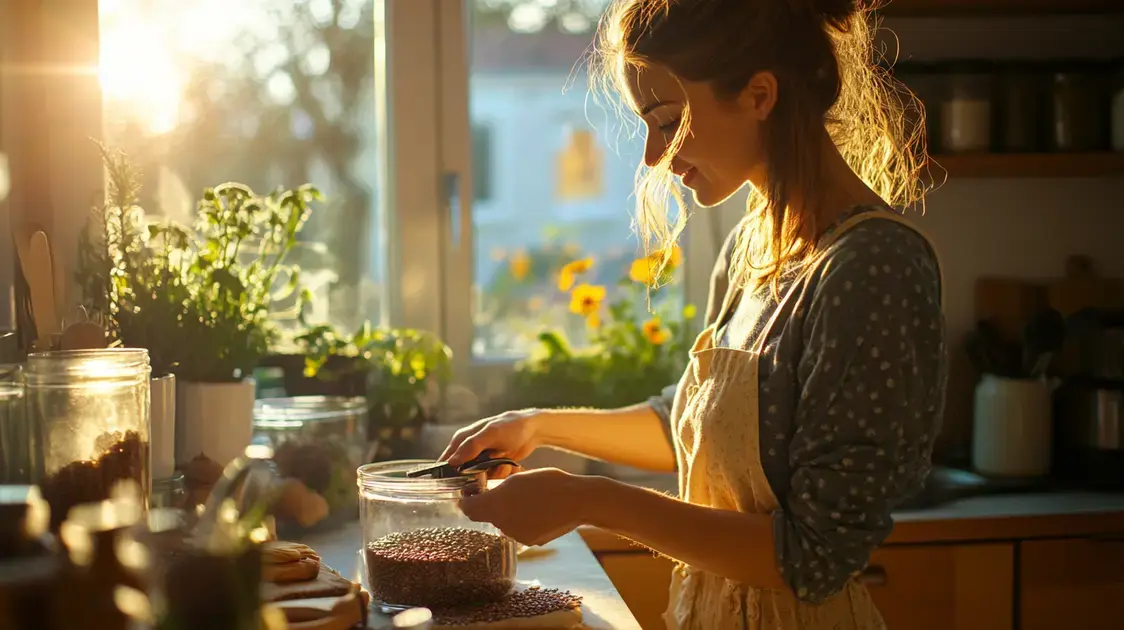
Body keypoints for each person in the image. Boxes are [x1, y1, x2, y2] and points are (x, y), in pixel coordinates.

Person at [442, 0, 947, 627]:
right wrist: (538, 425)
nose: (655, 157)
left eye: (668, 120)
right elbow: (685, 422)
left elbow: (815, 558)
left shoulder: (874, 266)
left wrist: (586, 498)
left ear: (760, 94)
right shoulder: (751, 247)